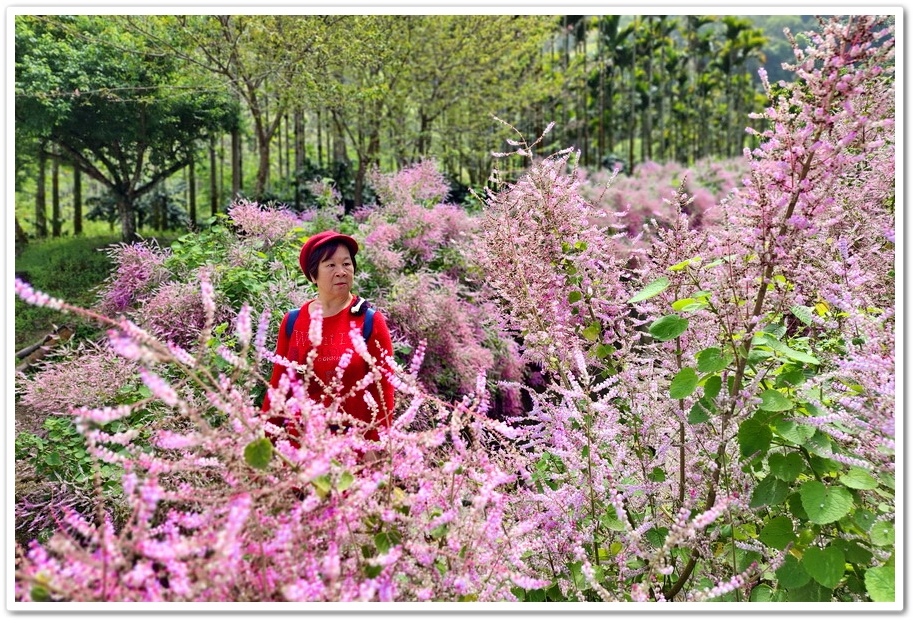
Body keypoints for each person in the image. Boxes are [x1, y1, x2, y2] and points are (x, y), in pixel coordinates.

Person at [261, 230, 395, 445]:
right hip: (301, 448)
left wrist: (378, 445)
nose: (341, 271)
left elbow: (385, 390)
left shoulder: (369, 321)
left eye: (347, 264)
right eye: (331, 265)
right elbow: (279, 387)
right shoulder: (294, 321)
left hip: (355, 448)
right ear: (313, 275)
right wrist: (268, 444)